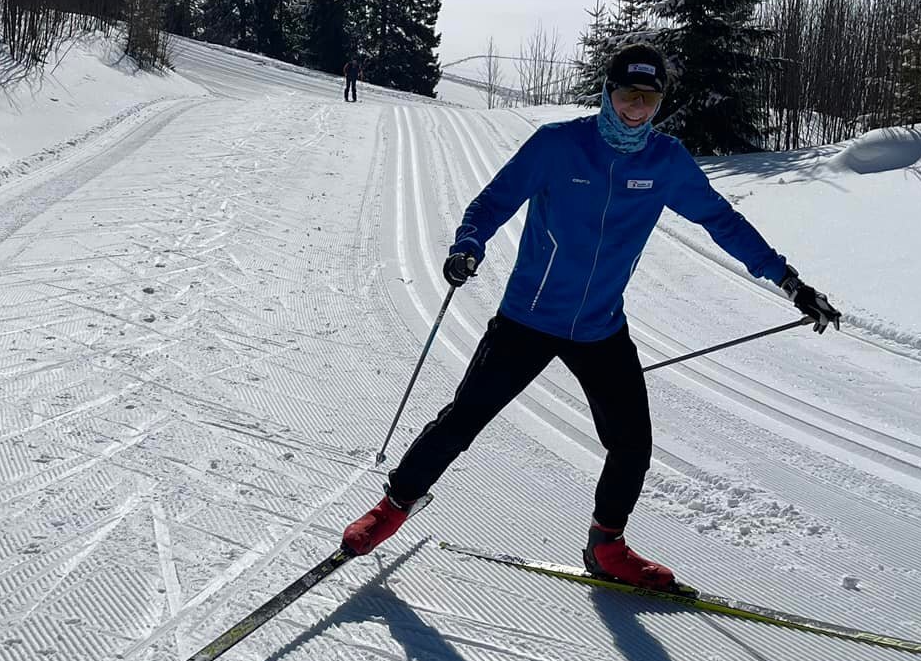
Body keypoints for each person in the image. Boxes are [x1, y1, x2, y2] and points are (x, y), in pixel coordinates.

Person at [339, 43, 841, 588]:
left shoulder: (665, 161)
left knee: (632, 442)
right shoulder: (559, 145)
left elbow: (723, 222)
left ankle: (607, 546)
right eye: (628, 94)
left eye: (648, 98)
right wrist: (468, 245)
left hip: (600, 326)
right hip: (528, 317)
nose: (636, 108)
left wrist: (790, 282)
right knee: (464, 419)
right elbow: (492, 203)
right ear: (609, 91)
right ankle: (394, 506)